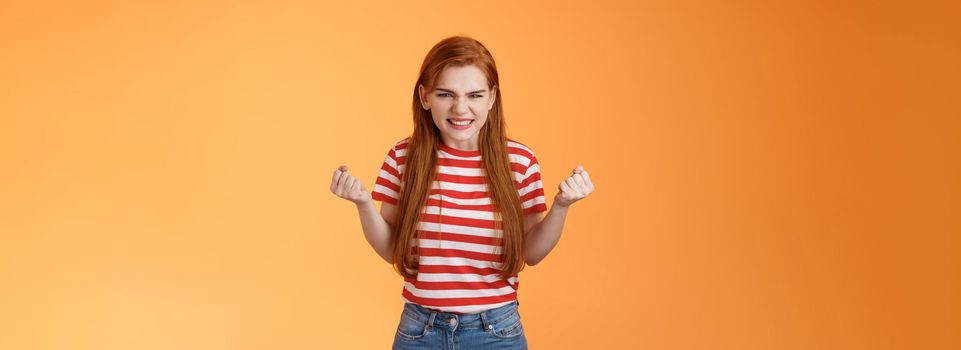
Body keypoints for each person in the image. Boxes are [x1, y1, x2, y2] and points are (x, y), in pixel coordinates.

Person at [329, 36, 595, 349]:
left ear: (492, 98)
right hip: (419, 332)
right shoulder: (403, 158)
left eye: (474, 95)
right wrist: (363, 205)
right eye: (445, 94)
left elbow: (531, 254)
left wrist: (561, 206)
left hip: (496, 333)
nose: (460, 108)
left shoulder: (519, 162)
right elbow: (393, 251)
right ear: (425, 96)